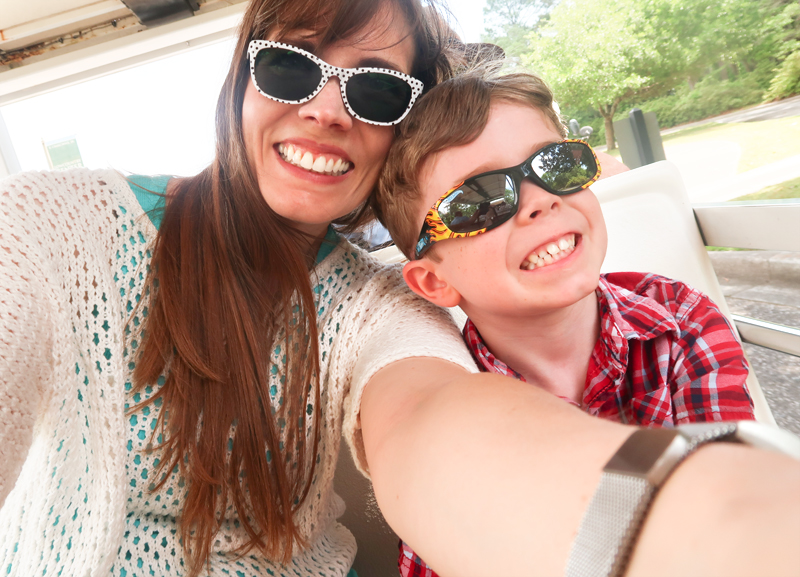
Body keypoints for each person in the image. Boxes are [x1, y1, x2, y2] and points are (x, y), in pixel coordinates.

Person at [1, 2, 799, 577]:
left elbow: (437, 429)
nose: (324, 111)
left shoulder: (379, 309)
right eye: (289, 66)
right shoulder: (49, 224)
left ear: (399, 128)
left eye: (377, 91)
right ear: (239, 79)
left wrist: (724, 530)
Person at [373, 67, 797, 576]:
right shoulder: (446, 426)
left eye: (556, 165)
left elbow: (735, 494)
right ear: (435, 283)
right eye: (481, 200)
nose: (541, 200)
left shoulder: (681, 319)